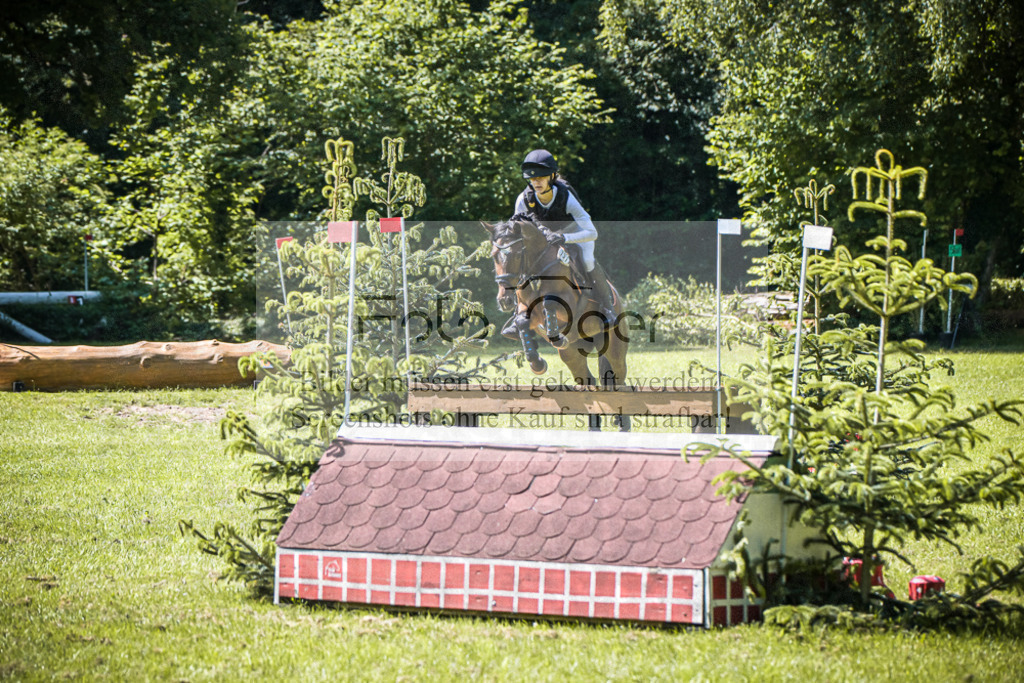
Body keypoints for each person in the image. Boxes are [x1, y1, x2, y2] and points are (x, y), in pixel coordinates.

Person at [512, 149, 616, 324]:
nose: (536, 182)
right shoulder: (523, 199)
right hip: (545, 239)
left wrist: (564, 238)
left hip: (574, 233)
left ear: (552, 176)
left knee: (588, 260)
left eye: (541, 177)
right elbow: (515, 230)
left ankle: (607, 308)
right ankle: (519, 315)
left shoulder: (565, 197)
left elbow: (592, 232)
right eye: (532, 178)